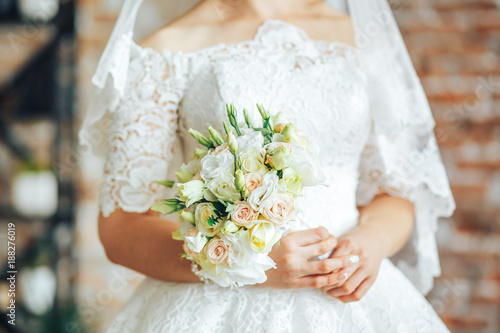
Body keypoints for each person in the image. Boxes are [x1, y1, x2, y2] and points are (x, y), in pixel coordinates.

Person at [80, 0, 456, 331]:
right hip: (212, 309)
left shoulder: (365, 39)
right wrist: (247, 263)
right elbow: (120, 227)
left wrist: (370, 243)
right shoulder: (165, 52)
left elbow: (396, 191)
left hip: (350, 299)